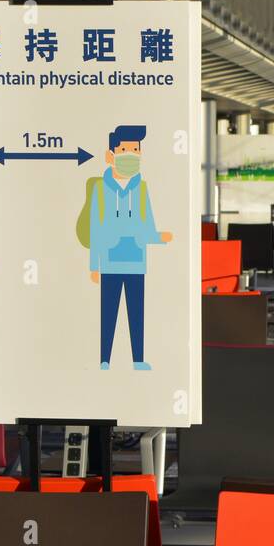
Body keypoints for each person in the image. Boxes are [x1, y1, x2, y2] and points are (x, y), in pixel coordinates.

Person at [84, 125, 173, 370]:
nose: (131, 156)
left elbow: (146, 226)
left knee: (136, 313)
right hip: (110, 262)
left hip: (136, 260)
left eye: (136, 150)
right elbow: (96, 229)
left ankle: (138, 359)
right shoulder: (101, 190)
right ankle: (104, 359)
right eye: (125, 150)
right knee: (108, 313)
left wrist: (159, 237)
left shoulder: (141, 189)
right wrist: (95, 264)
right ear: (110, 155)